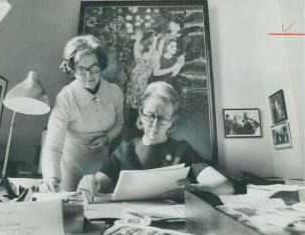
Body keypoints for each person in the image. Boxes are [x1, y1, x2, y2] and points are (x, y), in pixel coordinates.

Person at [78, 81, 234, 203]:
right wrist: (91, 182)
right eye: (150, 115)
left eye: (163, 118)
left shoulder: (182, 150)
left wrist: (191, 188)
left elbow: (225, 187)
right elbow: (99, 183)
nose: (154, 124)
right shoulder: (125, 150)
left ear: (172, 121)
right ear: (140, 115)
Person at [40, 35, 124, 192]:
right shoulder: (66, 97)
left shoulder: (115, 92)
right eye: (81, 69)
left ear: (101, 65)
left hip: (102, 169)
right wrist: (51, 178)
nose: (89, 76)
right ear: (72, 69)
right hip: (70, 167)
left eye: (94, 67)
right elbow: (52, 146)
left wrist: (107, 138)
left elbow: (119, 124)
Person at [125, 29, 160, 108]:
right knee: (132, 103)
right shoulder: (140, 59)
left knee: (138, 104)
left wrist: (155, 40)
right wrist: (137, 40)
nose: (149, 53)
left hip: (141, 86)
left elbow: (151, 50)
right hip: (134, 84)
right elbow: (136, 50)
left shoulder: (150, 61)